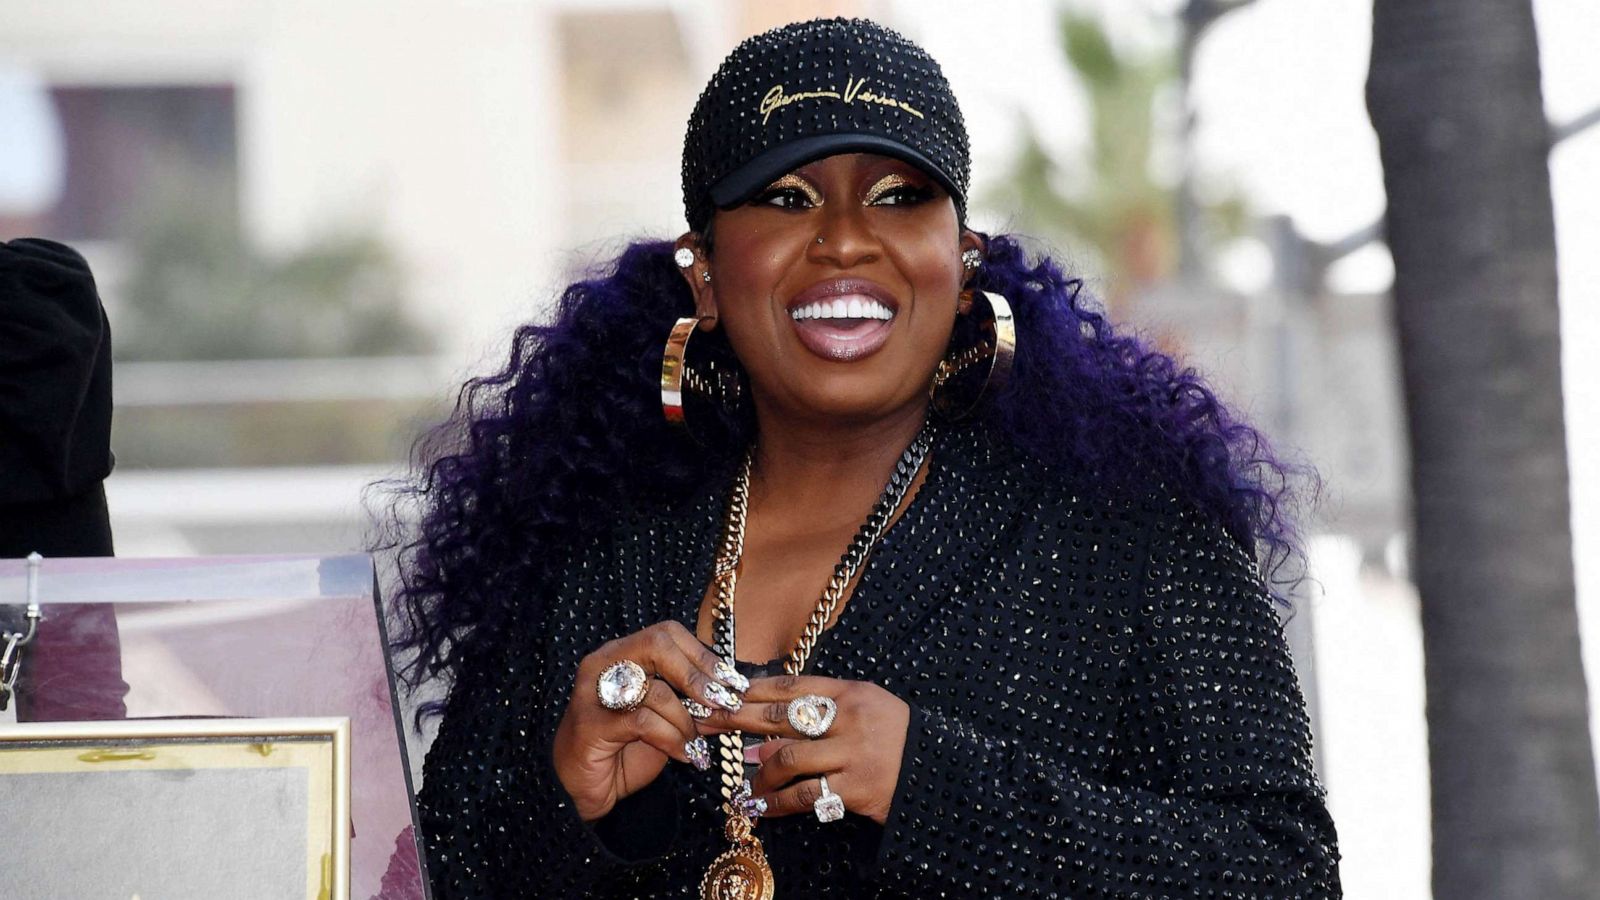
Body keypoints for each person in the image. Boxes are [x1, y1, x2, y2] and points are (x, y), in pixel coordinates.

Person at [390, 17, 1341, 899]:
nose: (846, 238)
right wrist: (570, 801)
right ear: (706, 273)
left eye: (899, 197)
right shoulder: (589, 547)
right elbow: (425, 871)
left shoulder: (1126, 531)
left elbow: (1286, 875)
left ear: (962, 259)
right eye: (787, 196)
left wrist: (933, 788)